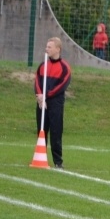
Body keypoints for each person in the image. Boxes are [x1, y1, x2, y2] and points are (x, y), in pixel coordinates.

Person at [34, 37, 72, 169]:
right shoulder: (43, 65)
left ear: (58, 49)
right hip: (41, 102)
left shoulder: (65, 67)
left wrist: (46, 96)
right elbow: (37, 81)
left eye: (49, 47)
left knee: (56, 131)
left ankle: (58, 161)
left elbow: (61, 86)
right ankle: (41, 156)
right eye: (46, 46)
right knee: (41, 129)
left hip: (55, 103)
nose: (46, 49)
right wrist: (39, 96)